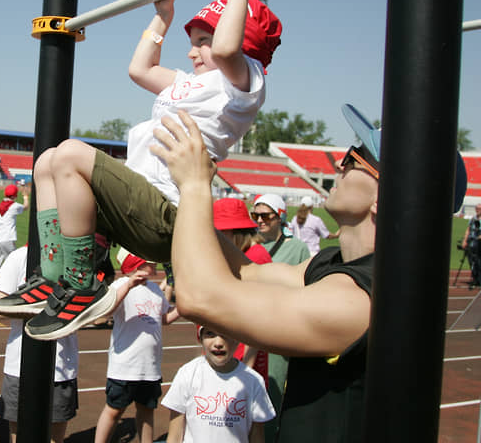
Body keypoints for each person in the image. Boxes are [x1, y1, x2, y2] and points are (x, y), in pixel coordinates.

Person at [0, 0, 282, 341]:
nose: (191, 50)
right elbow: (139, 69)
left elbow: (229, 49)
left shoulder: (240, 84)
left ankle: (85, 282)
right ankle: (54, 272)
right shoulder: (188, 82)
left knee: (73, 154)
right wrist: (163, 16)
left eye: (202, 41)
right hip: (137, 205)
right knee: (47, 161)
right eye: (192, 41)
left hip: (168, 212)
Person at [150, 104, 467, 440]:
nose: (340, 165)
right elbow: (249, 274)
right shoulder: (334, 264)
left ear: (383, 198)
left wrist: (195, 186)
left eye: (354, 159)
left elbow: (201, 298)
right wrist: (173, 212)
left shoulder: (365, 299)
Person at [0, 246, 78, 443]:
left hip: (61, 366)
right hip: (20, 364)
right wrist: (39, 309)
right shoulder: (19, 257)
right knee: (19, 435)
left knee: (55, 438)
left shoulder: (73, 260)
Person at [94, 249, 179, 443]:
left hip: (149, 368)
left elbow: (164, 318)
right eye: (151, 261)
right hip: (124, 367)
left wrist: (182, 307)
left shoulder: (156, 289)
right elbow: (106, 311)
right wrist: (130, 285)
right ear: (137, 263)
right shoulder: (120, 285)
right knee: (114, 410)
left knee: (147, 411)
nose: (156, 264)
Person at [249, 194, 309, 442]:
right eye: (256, 215)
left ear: (281, 217)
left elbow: (305, 290)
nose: (260, 220)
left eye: (266, 215)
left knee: (271, 390)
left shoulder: (298, 248)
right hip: (249, 326)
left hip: (278, 331)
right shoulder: (248, 244)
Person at [161, 325, 275, 443]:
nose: (218, 343)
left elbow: (257, 437)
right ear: (200, 338)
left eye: (225, 334)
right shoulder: (188, 373)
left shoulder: (254, 381)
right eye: (210, 334)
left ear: (238, 338)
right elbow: (175, 435)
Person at [212, 198, 271, 384]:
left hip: (243, 355)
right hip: (227, 348)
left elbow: (260, 318)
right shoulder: (234, 254)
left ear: (235, 231)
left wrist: (247, 366)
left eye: (220, 233)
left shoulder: (256, 257)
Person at [0, 185, 29, 271]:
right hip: (8, 238)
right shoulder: (14, 206)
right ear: (15, 195)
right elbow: (26, 206)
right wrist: (25, 196)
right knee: (14, 264)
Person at [460, 203, 481, 288]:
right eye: (477, 208)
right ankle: (475, 278)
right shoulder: (473, 219)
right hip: (471, 243)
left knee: (479, 261)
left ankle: (479, 279)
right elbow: (468, 230)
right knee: (471, 260)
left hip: (479, 244)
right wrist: (465, 240)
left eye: (479, 208)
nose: (477, 210)